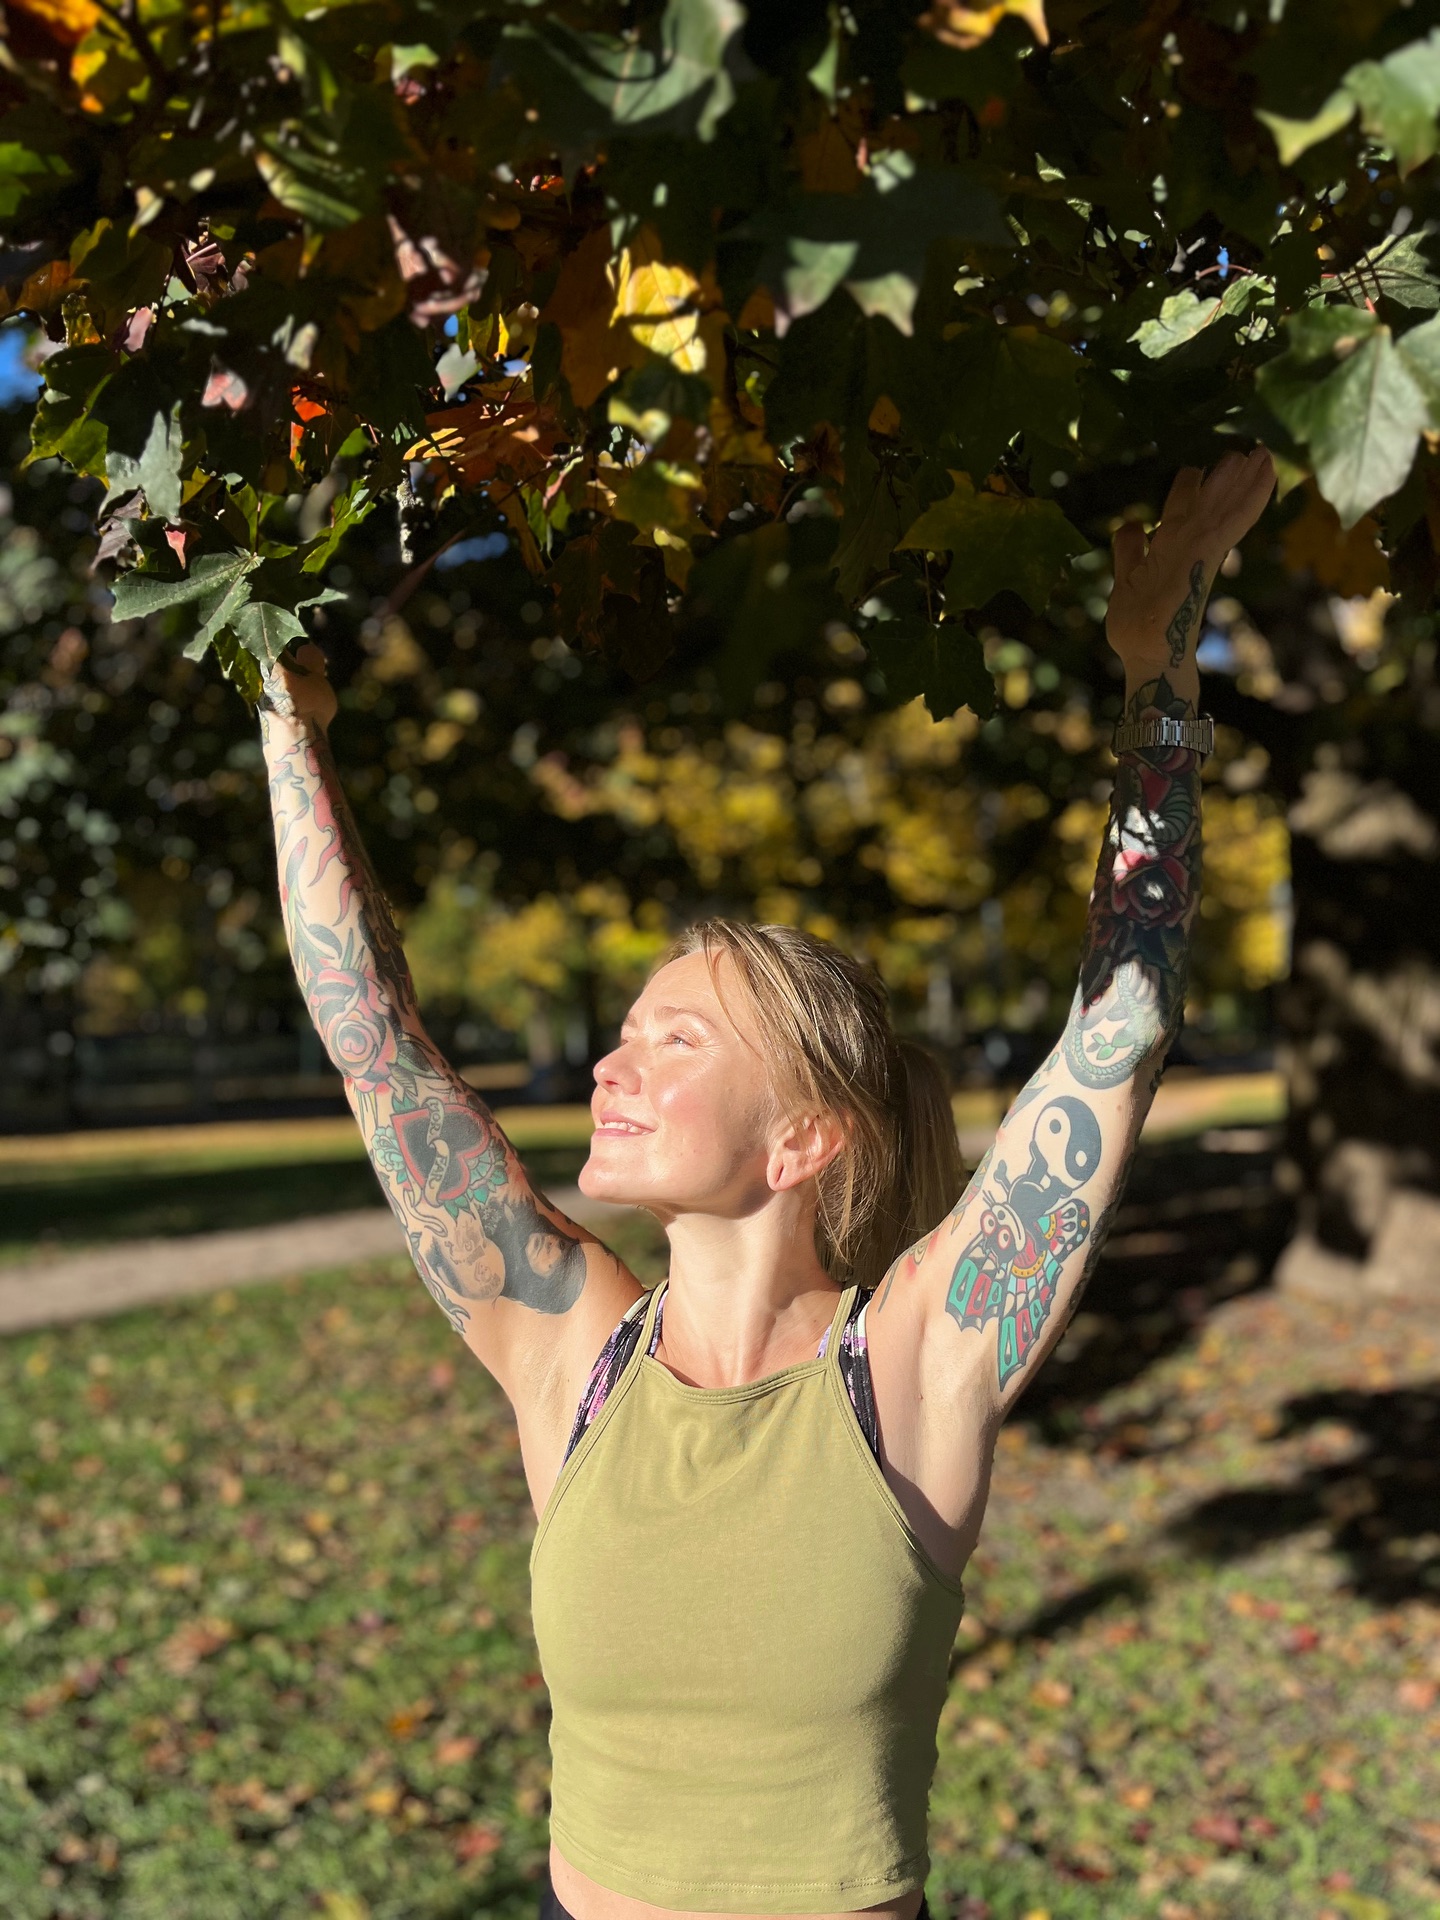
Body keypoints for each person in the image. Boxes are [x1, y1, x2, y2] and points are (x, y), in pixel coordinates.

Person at [259, 449, 1276, 1920]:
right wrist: (290, 730)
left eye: (674, 1040)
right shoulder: (572, 1359)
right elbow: (373, 1043)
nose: (613, 1063)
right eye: (623, 1030)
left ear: (803, 1138)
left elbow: (1117, 1034)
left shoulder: (916, 1365)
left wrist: (1158, 674)